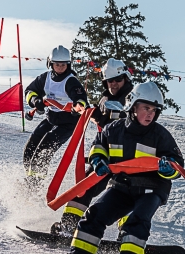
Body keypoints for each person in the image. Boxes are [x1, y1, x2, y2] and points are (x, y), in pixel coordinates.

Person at [58, 82, 184, 254]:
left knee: (137, 223)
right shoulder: (114, 129)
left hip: (151, 190)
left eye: (154, 110)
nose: (150, 114)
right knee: (94, 215)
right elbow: (98, 144)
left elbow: (178, 165)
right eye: (146, 108)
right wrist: (98, 159)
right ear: (133, 106)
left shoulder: (161, 136)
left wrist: (170, 168)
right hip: (122, 186)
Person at [52, 58, 134, 235]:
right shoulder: (106, 98)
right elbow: (105, 126)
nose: (113, 84)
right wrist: (90, 112)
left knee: (128, 197)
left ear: (126, 78)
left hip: (129, 162)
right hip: (106, 158)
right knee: (83, 188)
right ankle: (68, 226)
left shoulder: (134, 97)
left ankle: (128, 235)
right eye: (109, 81)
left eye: (118, 79)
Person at [23, 45, 88, 179]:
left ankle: (36, 182)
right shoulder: (45, 78)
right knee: (31, 146)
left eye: (63, 65)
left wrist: (78, 106)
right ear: (50, 64)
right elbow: (29, 91)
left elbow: (81, 99)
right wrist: (35, 101)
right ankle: (28, 177)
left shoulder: (71, 81)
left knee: (45, 147)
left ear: (68, 65)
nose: (59, 67)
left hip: (68, 123)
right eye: (56, 64)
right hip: (51, 118)